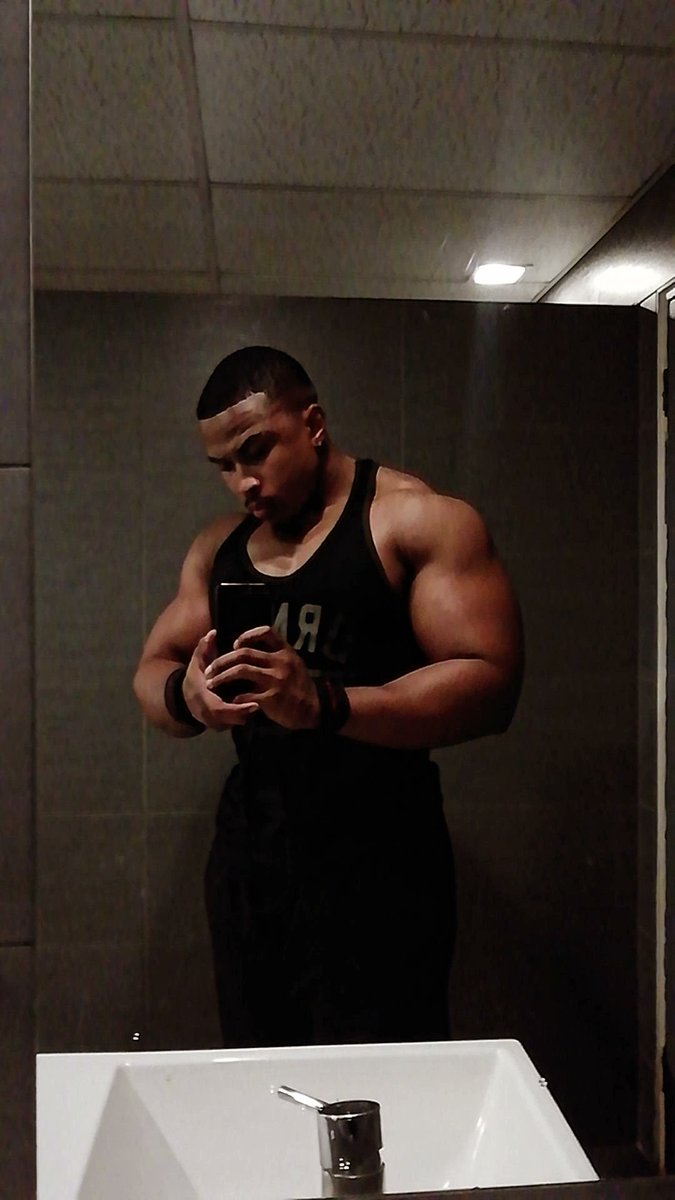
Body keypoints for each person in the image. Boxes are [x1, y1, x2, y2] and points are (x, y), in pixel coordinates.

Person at [133, 345, 523, 1049]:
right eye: (224, 466)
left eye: (256, 451)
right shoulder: (220, 550)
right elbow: (151, 671)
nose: (244, 483)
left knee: (380, 1081)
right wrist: (186, 697)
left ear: (313, 425)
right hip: (253, 853)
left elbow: (490, 682)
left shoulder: (413, 521)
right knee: (260, 1073)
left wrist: (324, 704)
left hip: (379, 851)